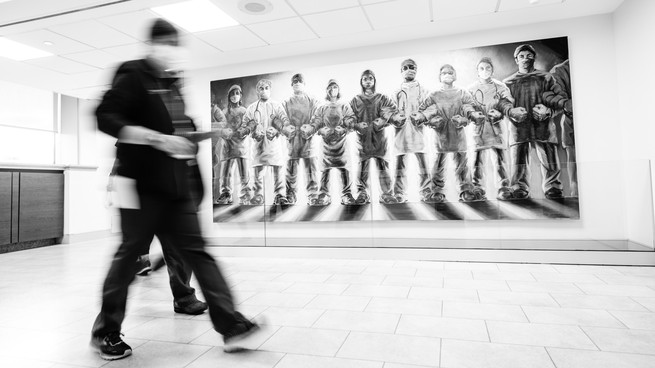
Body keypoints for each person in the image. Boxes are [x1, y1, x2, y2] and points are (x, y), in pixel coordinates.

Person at [91, 18, 263, 360]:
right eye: (166, 43)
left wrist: (202, 135)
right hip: (139, 185)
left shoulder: (172, 84)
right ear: (153, 43)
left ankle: (231, 325)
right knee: (129, 256)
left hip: (176, 187)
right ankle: (106, 332)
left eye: (175, 44)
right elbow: (105, 117)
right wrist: (156, 139)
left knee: (197, 252)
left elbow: (181, 131)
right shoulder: (132, 74)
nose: (171, 50)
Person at [107, 158, 208, 316]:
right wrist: (114, 184)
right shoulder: (134, 139)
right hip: (140, 194)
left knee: (178, 250)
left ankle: (184, 298)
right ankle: (109, 318)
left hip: (171, 194)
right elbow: (123, 158)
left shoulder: (176, 138)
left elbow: (190, 164)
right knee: (129, 254)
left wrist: (194, 196)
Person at [503, 44, 569, 199]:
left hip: (543, 127)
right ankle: (519, 187)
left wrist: (549, 112)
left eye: (529, 55)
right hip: (519, 128)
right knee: (518, 162)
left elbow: (561, 102)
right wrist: (511, 112)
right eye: (522, 56)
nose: (526, 59)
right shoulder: (508, 83)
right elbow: (503, 104)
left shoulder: (546, 78)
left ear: (534, 58)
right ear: (516, 59)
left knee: (549, 159)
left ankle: (553, 187)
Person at [412, 64, 478, 203]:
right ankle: (437, 191)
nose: (447, 75)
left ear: (455, 75)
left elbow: (472, 109)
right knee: (437, 164)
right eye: (444, 73)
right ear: (439, 77)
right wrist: (431, 122)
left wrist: (464, 120)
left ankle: (465, 190)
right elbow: (423, 111)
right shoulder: (434, 94)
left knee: (462, 164)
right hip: (440, 135)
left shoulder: (462, 92)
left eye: (450, 72)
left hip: (458, 134)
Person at [467, 57, 517, 201]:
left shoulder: (500, 87)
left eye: (488, 68)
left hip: (496, 128)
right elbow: (467, 107)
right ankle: (477, 189)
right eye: (482, 68)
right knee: (476, 161)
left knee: (500, 160)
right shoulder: (471, 89)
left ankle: (504, 188)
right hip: (479, 129)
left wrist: (500, 113)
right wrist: (473, 114)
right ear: (477, 71)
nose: (485, 71)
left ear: (492, 70)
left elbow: (507, 103)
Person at [350, 69, 402, 204]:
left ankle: (386, 193)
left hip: (379, 140)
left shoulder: (382, 98)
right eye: (365, 79)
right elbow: (348, 117)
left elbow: (391, 111)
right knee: (362, 167)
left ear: (374, 81)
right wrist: (356, 125)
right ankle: (362, 193)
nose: (368, 81)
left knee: (382, 166)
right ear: (361, 82)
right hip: (363, 141)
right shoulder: (356, 100)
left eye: (370, 78)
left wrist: (383, 120)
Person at [243, 79, 290, 205]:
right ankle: (258, 195)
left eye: (266, 88)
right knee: (257, 173)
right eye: (261, 88)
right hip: (258, 146)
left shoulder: (277, 106)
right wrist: (253, 133)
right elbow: (244, 125)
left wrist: (276, 131)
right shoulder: (252, 108)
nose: (264, 91)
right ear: (257, 91)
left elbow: (285, 123)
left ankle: (279, 195)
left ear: (270, 89)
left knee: (277, 171)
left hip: (273, 145)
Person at [312, 79, 357, 205]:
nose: (332, 90)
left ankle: (347, 194)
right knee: (324, 170)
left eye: (335, 87)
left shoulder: (344, 106)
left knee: (344, 169)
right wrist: (321, 130)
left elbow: (351, 120)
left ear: (339, 90)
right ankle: (324, 194)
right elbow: (315, 123)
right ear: (326, 90)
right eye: (330, 87)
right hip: (326, 146)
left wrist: (344, 129)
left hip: (341, 144)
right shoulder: (322, 107)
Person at [392, 59, 431, 203]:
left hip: (418, 133)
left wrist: (423, 116)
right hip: (401, 134)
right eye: (406, 68)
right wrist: (395, 118)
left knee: (423, 164)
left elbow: (429, 109)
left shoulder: (423, 91)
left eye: (412, 67)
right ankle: (399, 193)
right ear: (401, 71)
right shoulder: (396, 93)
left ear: (416, 69)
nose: (409, 70)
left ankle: (426, 191)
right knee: (400, 164)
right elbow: (391, 113)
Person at [282, 73, 320, 205]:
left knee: (311, 170)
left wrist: (311, 128)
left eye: (300, 81)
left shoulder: (312, 100)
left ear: (304, 84)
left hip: (308, 141)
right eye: (294, 81)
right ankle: (290, 195)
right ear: (291, 85)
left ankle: (313, 195)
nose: (297, 82)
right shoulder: (286, 102)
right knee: (291, 170)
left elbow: (318, 117)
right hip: (293, 141)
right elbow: (281, 119)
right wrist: (287, 129)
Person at [214, 84, 252, 205]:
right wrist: (224, 133)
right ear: (228, 96)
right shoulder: (224, 112)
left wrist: (243, 131)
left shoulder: (244, 111)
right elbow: (221, 127)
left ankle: (245, 194)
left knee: (244, 172)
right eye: (232, 94)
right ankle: (226, 193)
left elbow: (248, 126)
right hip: (228, 146)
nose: (234, 96)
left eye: (237, 93)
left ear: (240, 96)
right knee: (226, 172)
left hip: (242, 146)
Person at [550, 59, 576, 197]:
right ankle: (576, 194)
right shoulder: (560, 71)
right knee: (574, 159)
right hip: (572, 123)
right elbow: (557, 97)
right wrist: (567, 103)